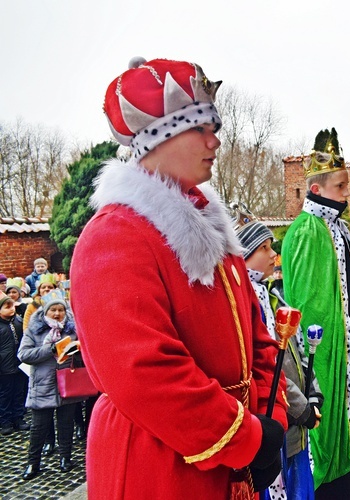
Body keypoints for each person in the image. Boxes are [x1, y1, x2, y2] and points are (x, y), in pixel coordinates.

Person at [69, 57, 287, 498]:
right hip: (159, 467)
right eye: (201, 129)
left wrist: (270, 418)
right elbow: (143, 374)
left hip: (231, 458)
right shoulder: (114, 235)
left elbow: (258, 336)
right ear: (159, 136)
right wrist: (245, 436)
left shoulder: (208, 225)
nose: (216, 141)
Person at [282, 144, 350, 499]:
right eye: (340, 187)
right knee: (332, 452)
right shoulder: (309, 232)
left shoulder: (337, 230)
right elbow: (315, 314)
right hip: (329, 364)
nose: (346, 195)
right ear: (316, 190)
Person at [237, 220, 322, 500]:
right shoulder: (246, 299)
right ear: (244, 255)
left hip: (294, 414)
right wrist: (301, 408)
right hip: (275, 416)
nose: (274, 254)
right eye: (264, 248)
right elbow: (268, 365)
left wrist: (313, 391)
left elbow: (294, 353)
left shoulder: (273, 297)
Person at [17, 290, 80, 479]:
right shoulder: (34, 330)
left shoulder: (72, 330)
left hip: (67, 383)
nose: (57, 313)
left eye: (61, 309)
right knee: (39, 427)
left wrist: (76, 351)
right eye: (53, 310)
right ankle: (33, 463)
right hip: (42, 385)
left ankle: (65, 458)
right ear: (45, 312)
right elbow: (24, 355)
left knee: (66, 424)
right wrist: (51, 348)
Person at [0, 292, 28, 435]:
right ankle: (5, 421)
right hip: (4, 367)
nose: (11, 309)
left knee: (19, 393)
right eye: (7, 307)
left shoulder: (18, 321)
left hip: (19, 365)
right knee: (5, 395)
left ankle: (18, 418)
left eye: (12, 306)